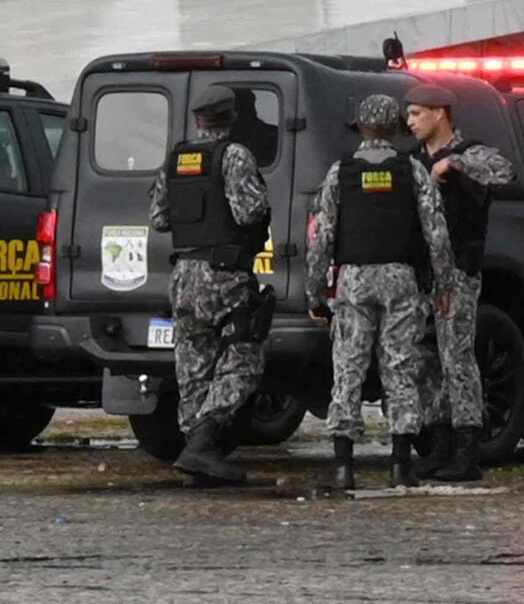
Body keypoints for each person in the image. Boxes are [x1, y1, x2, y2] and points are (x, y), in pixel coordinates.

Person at [307, 93, 437, 489]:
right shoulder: (412, 171)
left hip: (355, 280)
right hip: (401, 279)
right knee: (400, 367)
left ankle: (344, 466)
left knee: (348, 368)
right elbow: (436, 233)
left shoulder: (340, 172)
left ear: (361, 128)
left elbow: (321, 238)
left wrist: (315, 293)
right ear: (396, 127)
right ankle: (400, 464)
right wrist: (441, 281)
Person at [156, 84, 277, 485]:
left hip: (184, 274)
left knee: (194, 366)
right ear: (231, 119)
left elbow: (160, 218)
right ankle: (203, 444)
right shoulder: (235, 155)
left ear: (197, 120)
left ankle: (196, 459)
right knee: (244, 360)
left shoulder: (175, 159)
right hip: (224, 274)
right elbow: (249, 212)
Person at [407, 97, 519, 483]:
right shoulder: (413, 160)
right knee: (425, 363)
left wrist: (455, 164)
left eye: (417, 113)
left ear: (440, 113)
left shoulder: (470, 152)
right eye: (408, 114)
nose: (410, 122)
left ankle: (468, 448)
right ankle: (439, 445)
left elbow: (504, 171)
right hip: (419, 275)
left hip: (456, 273)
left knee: (457, 358)